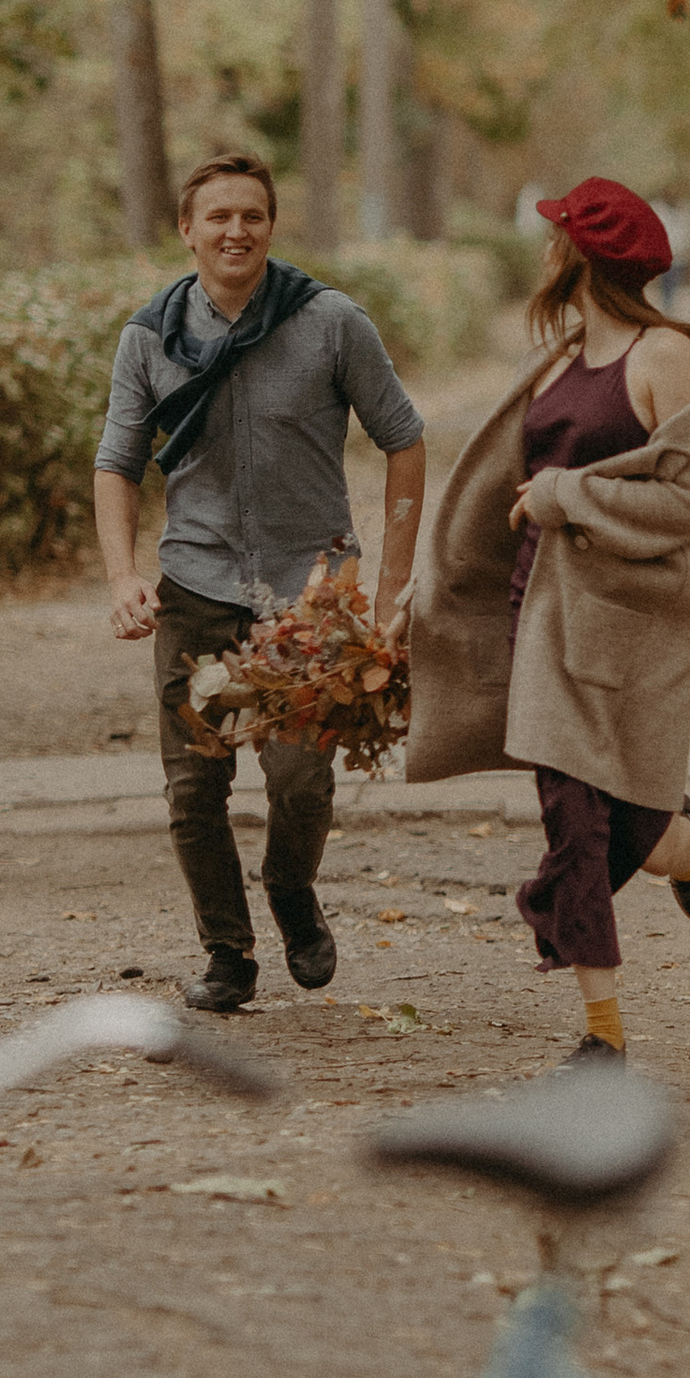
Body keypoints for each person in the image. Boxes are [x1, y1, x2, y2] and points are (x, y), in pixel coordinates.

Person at [94, 150, 426, 1015]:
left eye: (252, 215)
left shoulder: (330, 322)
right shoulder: (148, 337)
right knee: (193, 788)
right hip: (195, 587)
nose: (235, 230)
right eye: (218, 217)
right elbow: (116, 464)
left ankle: (289, 888)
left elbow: (404, 439)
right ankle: (227, 955)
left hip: (309, 595)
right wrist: (123, 574)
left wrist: (388, 587)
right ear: (187, 230)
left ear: (271, 226)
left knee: (299, 783)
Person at [405, 176, 690, 1068]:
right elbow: (496, 491)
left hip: (629, 623)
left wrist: (567, 494)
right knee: (570, 823)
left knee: (638, 837)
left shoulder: (665, 359)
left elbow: (686, 506)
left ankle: (682, 844)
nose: (547, 248)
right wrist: (427, 588)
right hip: (536, 617)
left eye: (558, 236)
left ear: (583, 255)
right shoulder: (556, 359)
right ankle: (604, 1038)